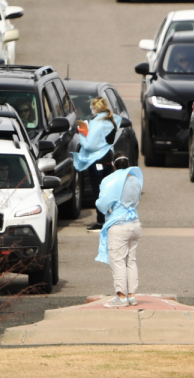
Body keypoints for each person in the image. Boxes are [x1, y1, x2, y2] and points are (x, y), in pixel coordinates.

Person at [95, 156, 143, 308]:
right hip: (135, 224)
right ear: (129, 165)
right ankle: (132, 296)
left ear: (114, 166)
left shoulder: (111, 181)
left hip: (118, 226)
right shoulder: (135, 179)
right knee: (131, 261)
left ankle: (122, 297)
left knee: (118, 262)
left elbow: (102, 204)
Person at [72, 97, 120, 232]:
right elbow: (109, 141)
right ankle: (110, 219)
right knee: (107, 191)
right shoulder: (111, 120)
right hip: (108, 160)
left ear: (95, 108)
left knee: (98, 193)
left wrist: (82, 134)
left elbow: (91, 145)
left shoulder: (96, 123)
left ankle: (101, 221)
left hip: (97, 160)